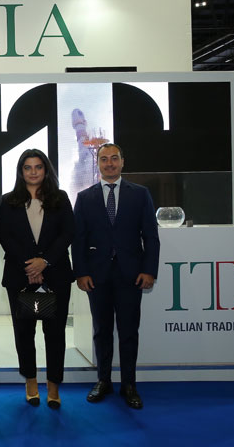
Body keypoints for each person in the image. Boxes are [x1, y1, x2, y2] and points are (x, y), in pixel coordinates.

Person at [72, 143, 159, 409]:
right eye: (104, 159)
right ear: (97, 163)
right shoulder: (84, 198)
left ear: (122, 162)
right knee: (101, 331)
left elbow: (150, 236)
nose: (109, 163)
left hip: (131, 275)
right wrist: (81, 273)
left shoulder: (140, 194)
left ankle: (129, 385)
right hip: (96, 277)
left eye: (114, 158)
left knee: (129, 332)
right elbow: (78, 240)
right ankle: (104, 381)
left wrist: (149, 270)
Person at [0, 149, 74, 409]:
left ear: (46, 170)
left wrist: (45, 261)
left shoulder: (60, 198)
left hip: (56, 276)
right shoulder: (9, 201)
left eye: (38, 167)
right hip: (21, 277)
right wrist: (31, 266)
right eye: (27, 167)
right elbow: (5, 237)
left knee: (55, 333)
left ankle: (53, 386)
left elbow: (68, 233)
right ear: (21, 171)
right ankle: (31, 381)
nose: (33, 172)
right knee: (25, 332)